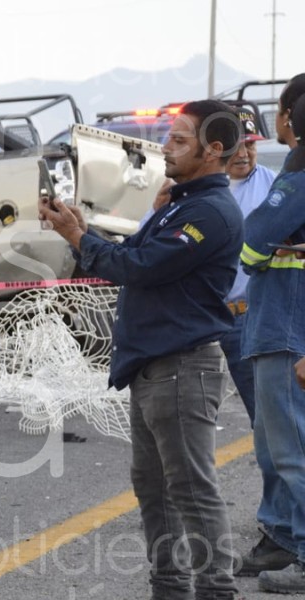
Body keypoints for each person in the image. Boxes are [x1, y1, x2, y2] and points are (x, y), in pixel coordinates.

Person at [39, 99, 243, 600]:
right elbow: (132, 255)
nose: (165, 148)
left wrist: (79, 237)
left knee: (191, 492)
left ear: (213, 150)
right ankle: (169, 588)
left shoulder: (209, 212)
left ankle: (217, 591)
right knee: (156, 491)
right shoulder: (178, 202)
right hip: (154, 369)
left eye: (178, 140)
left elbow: (140, 267)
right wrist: (84, 233)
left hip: (180, 369)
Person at [237, 73, 305, 593]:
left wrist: (266, 249)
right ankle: (282, 535)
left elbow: (253, 244)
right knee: (273, 446)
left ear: (289, 119)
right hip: (276, 328)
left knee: (291, 450)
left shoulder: (297, 178)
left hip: (287, 329)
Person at [220, 109, 278, 426]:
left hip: (255, 318)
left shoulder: (275, 188)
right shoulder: (193, 189)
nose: (244, 154)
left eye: (251, 145)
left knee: (270, 419)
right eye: (235, 145)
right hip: (202, 323)